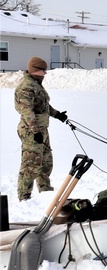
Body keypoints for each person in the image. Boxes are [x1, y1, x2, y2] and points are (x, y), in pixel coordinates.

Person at [14, 57, 69, 201]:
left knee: (46, 163)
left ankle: (45, 194)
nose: (45, 73)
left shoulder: (36, 85)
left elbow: (43, 106)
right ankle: (24, 197)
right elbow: (26, 111)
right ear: (35, 70)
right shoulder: (26, 87)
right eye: (43, 70)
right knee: (30, 166)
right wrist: (35, 131)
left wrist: (57, 115)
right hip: (31, 132)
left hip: (42, 130)